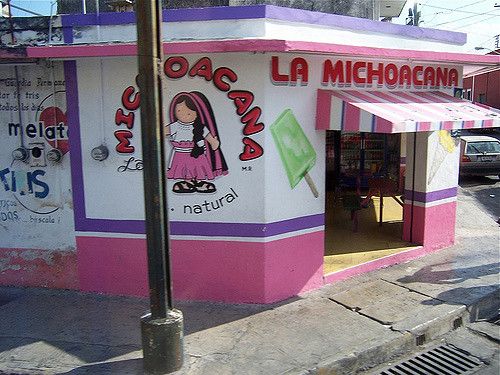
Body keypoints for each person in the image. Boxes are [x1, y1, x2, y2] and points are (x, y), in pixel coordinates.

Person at [165, 91, 228, 193]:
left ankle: (199, 182)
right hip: (181, 154)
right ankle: (188, 182)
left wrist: (214, 143)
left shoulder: (200, 127)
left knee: (198, 168)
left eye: (189, 113)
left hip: (197, 154)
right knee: (184, 168)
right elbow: (162, 132)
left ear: (197, 113)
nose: (184, 115)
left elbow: (209, 138)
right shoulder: (175, 126)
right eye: (179, 111)